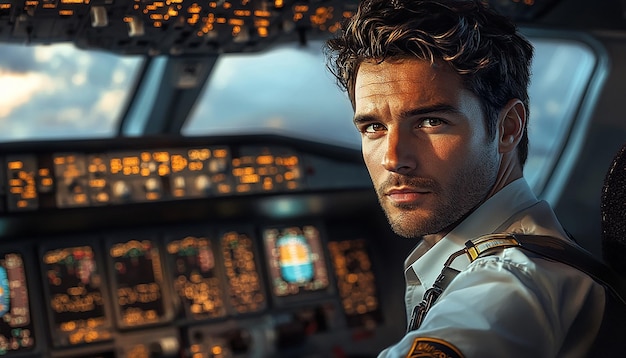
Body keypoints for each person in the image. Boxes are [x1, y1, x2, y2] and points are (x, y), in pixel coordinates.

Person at [324, 0, 606, 357]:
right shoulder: (527, 252)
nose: (394, 159)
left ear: (508, 128)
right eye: (374, 127)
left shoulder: (513, 283)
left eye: (431, 122)